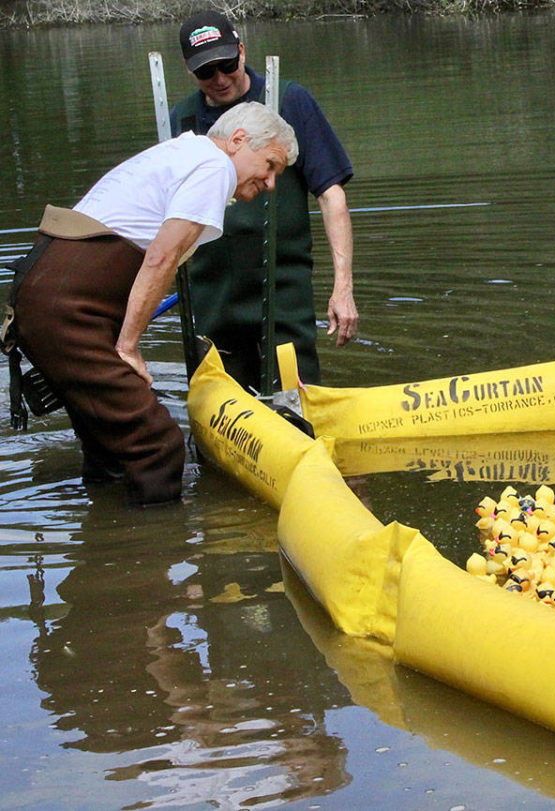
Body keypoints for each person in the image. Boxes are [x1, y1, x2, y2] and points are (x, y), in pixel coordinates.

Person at [7, 103, 298, 506]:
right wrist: (127, 347)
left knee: (110, 447)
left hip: (43, 296)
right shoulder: (214, 167)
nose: (270, 182)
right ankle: (158, 541)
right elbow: (161, 257)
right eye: (269, 165)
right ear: (237, 140)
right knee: (158, 445)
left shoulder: (184, 153)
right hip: (67, 309)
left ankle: (104, 533)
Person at [171, 9, 357, 392]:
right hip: (214, 301)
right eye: (206, 71)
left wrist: (343, 288)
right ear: (189, 71)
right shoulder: (181, 121)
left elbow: (331, 195)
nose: (220, 79)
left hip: (284, 296)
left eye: (227, 64)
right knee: (223, 407)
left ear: (241, 51)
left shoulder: (288, 100)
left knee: (295, 403)